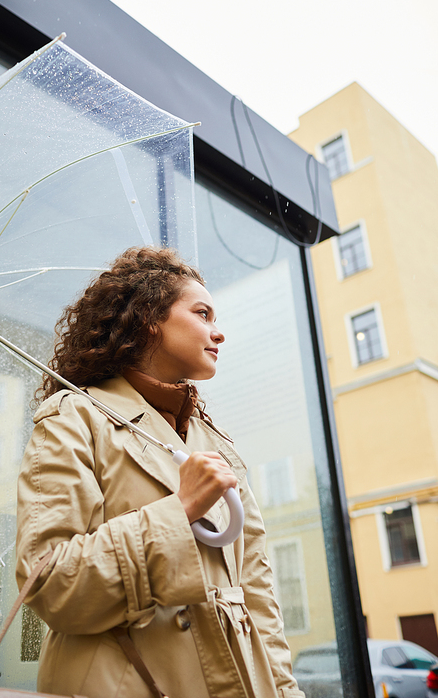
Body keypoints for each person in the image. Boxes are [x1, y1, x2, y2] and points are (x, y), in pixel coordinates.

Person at [16, 245, 305, 698]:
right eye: (203, 314)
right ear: (150, 317)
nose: (218, 333)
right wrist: (179, 511)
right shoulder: (74, 417)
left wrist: (285, 692)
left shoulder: (216, 443)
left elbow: (259, 601)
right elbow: (51, 584)